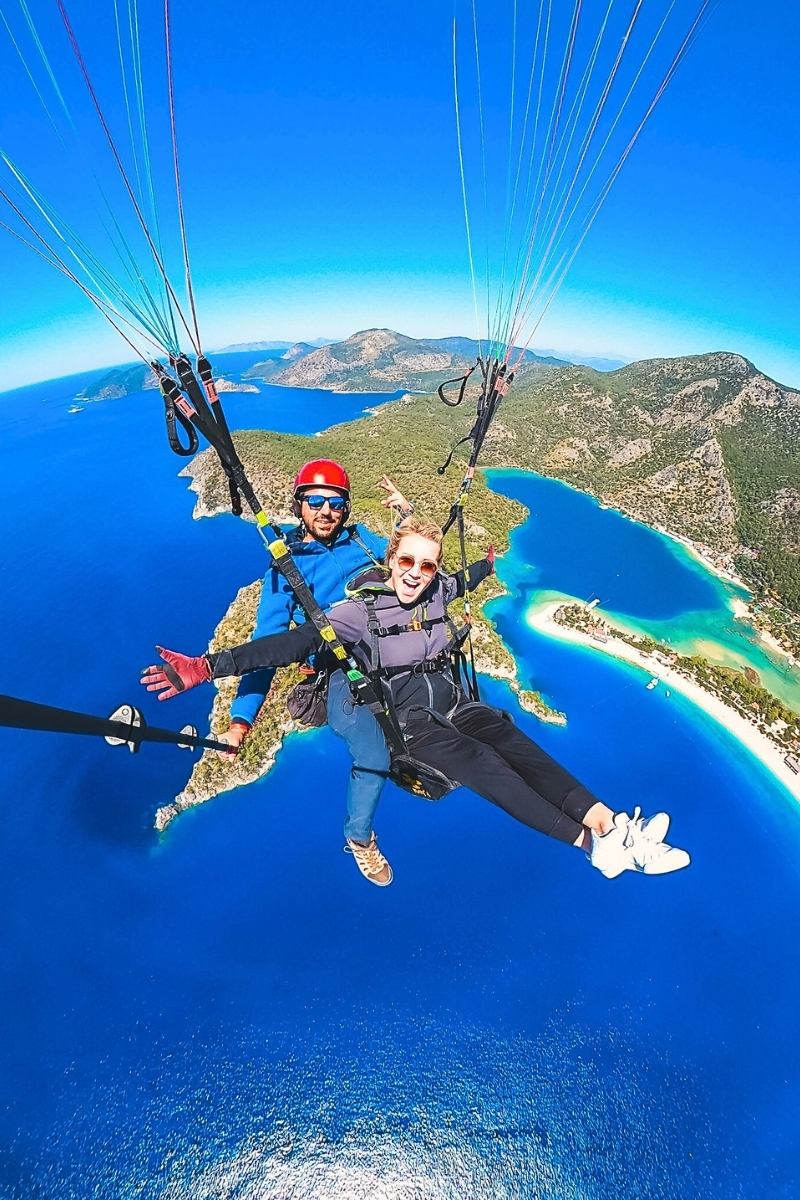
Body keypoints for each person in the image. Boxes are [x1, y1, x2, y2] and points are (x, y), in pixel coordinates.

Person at [143, 518, 691, 879]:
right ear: (391, 561)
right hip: (407, 725)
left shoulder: (437, 592)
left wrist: (488, 564)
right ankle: (593, 848)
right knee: (483, 763)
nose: (416, 574)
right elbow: (293, 642)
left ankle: (612, 826)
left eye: (426, 565)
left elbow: (463, 580)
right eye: (407, 562)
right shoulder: (361, 612)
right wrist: (209, 667)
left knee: (517, 744)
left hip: (455, 702)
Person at [216, 457, 412, 887]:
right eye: (316, 501)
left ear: (346, 508)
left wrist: (406, 515)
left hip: (392, 649)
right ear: (300, 506)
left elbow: (408, 564)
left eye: (336, 503)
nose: (327, 511)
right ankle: (360, 839)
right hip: (341, 671)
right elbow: (266, 649)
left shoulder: (362, 542)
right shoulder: (287, 569)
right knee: (374, 755)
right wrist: (239, 723)